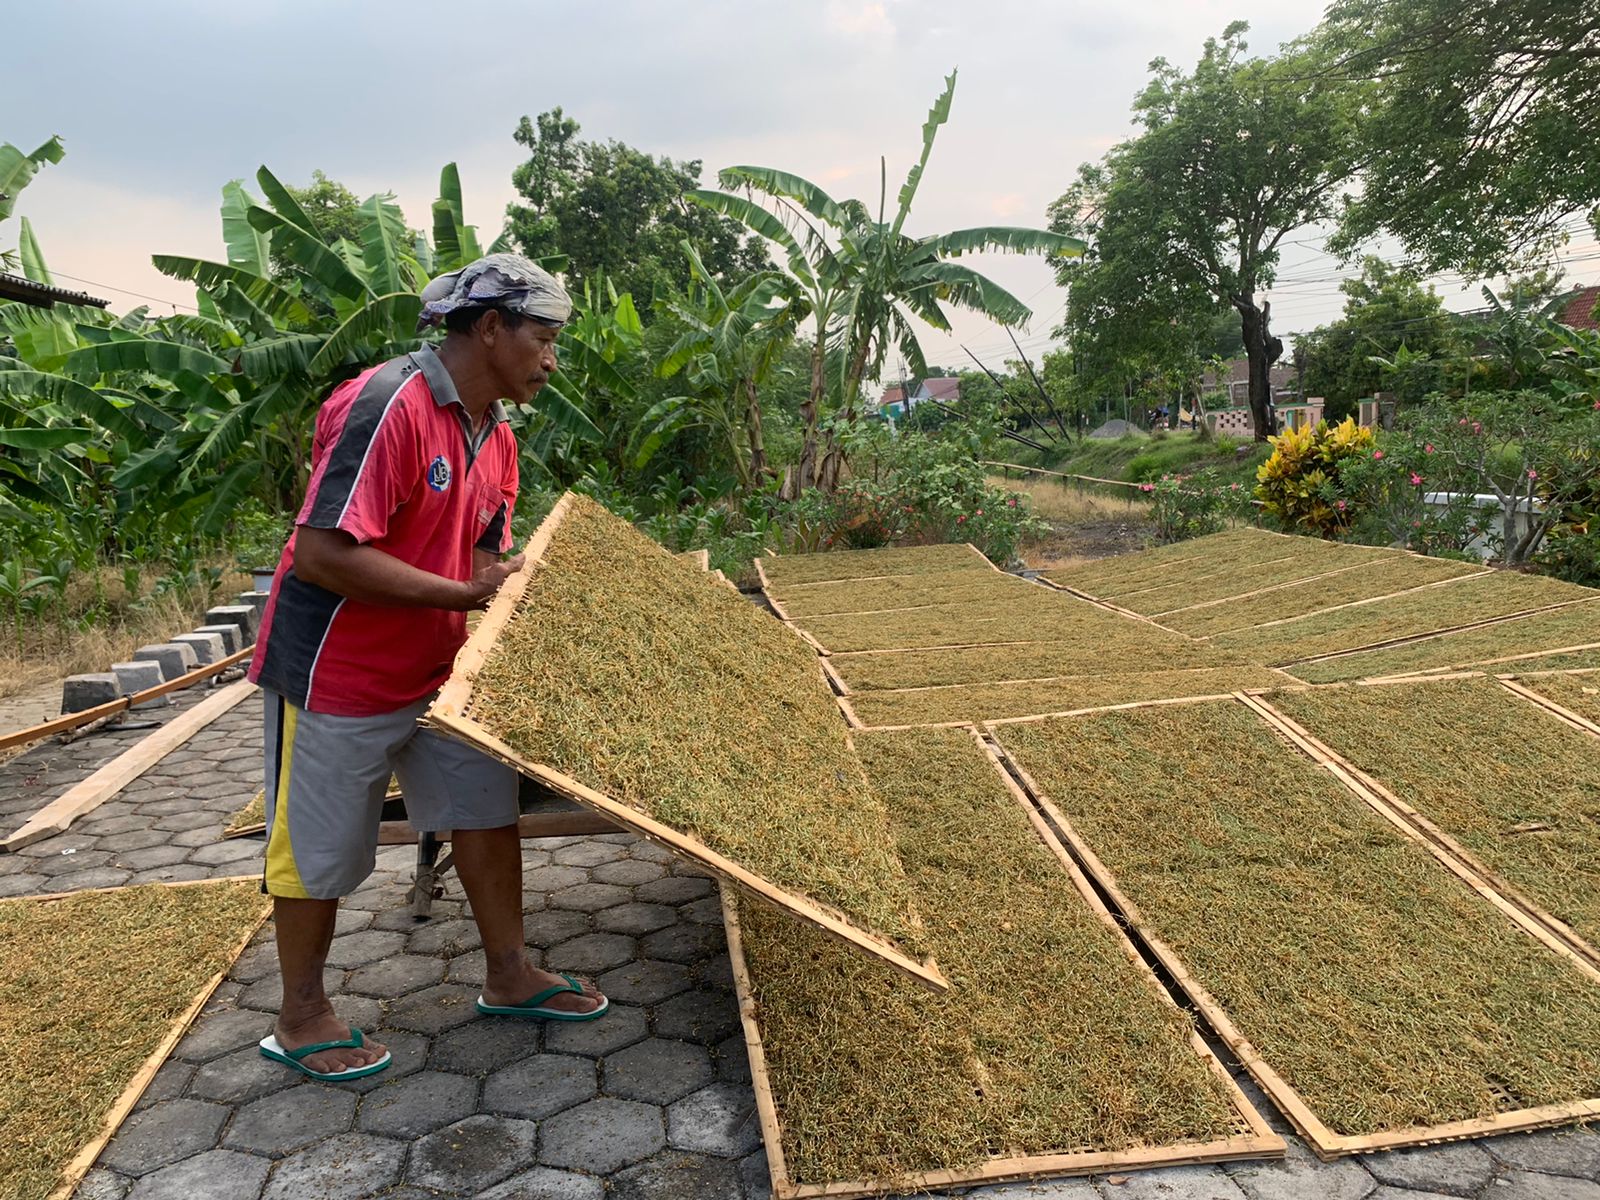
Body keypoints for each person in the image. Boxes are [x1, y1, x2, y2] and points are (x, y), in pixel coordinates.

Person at [247, 254, 608, 1082]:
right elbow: (321, 554)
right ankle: (301, 1013)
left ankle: (510, 972)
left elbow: (486, 550)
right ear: (490, 328)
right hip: (339, 672)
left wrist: (516, 589)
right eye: (544, 339)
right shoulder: (389, 405)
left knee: (486, 811)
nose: (551, 360)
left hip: (442, 672)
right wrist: (460, 591)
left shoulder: (495, 433)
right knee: (317, 852)